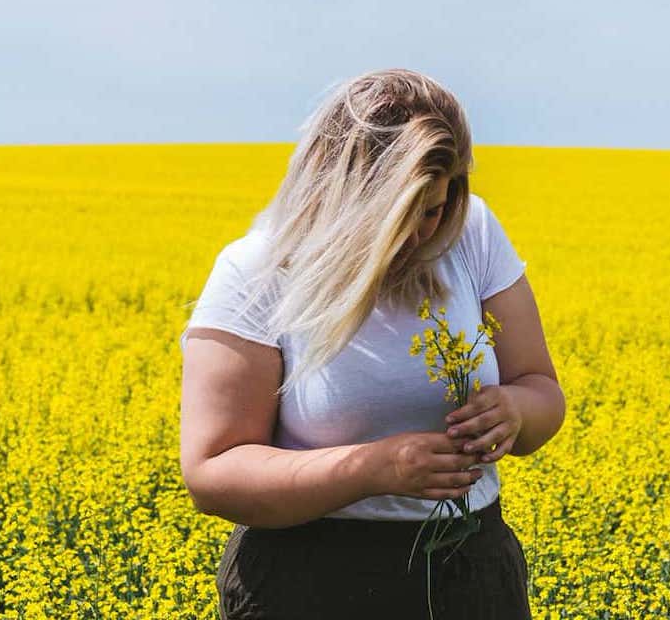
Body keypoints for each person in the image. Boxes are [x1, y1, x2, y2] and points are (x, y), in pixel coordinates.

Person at [179, 68, 566, 620]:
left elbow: (542, 390)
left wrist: (515, 411)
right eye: (398, 215)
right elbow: (213, 473)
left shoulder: (471, 234)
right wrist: (373, 469)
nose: (420, 235)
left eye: (433, 209)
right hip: (307, 582)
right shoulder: (258, 270)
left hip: (470, 568)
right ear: (343, 194)